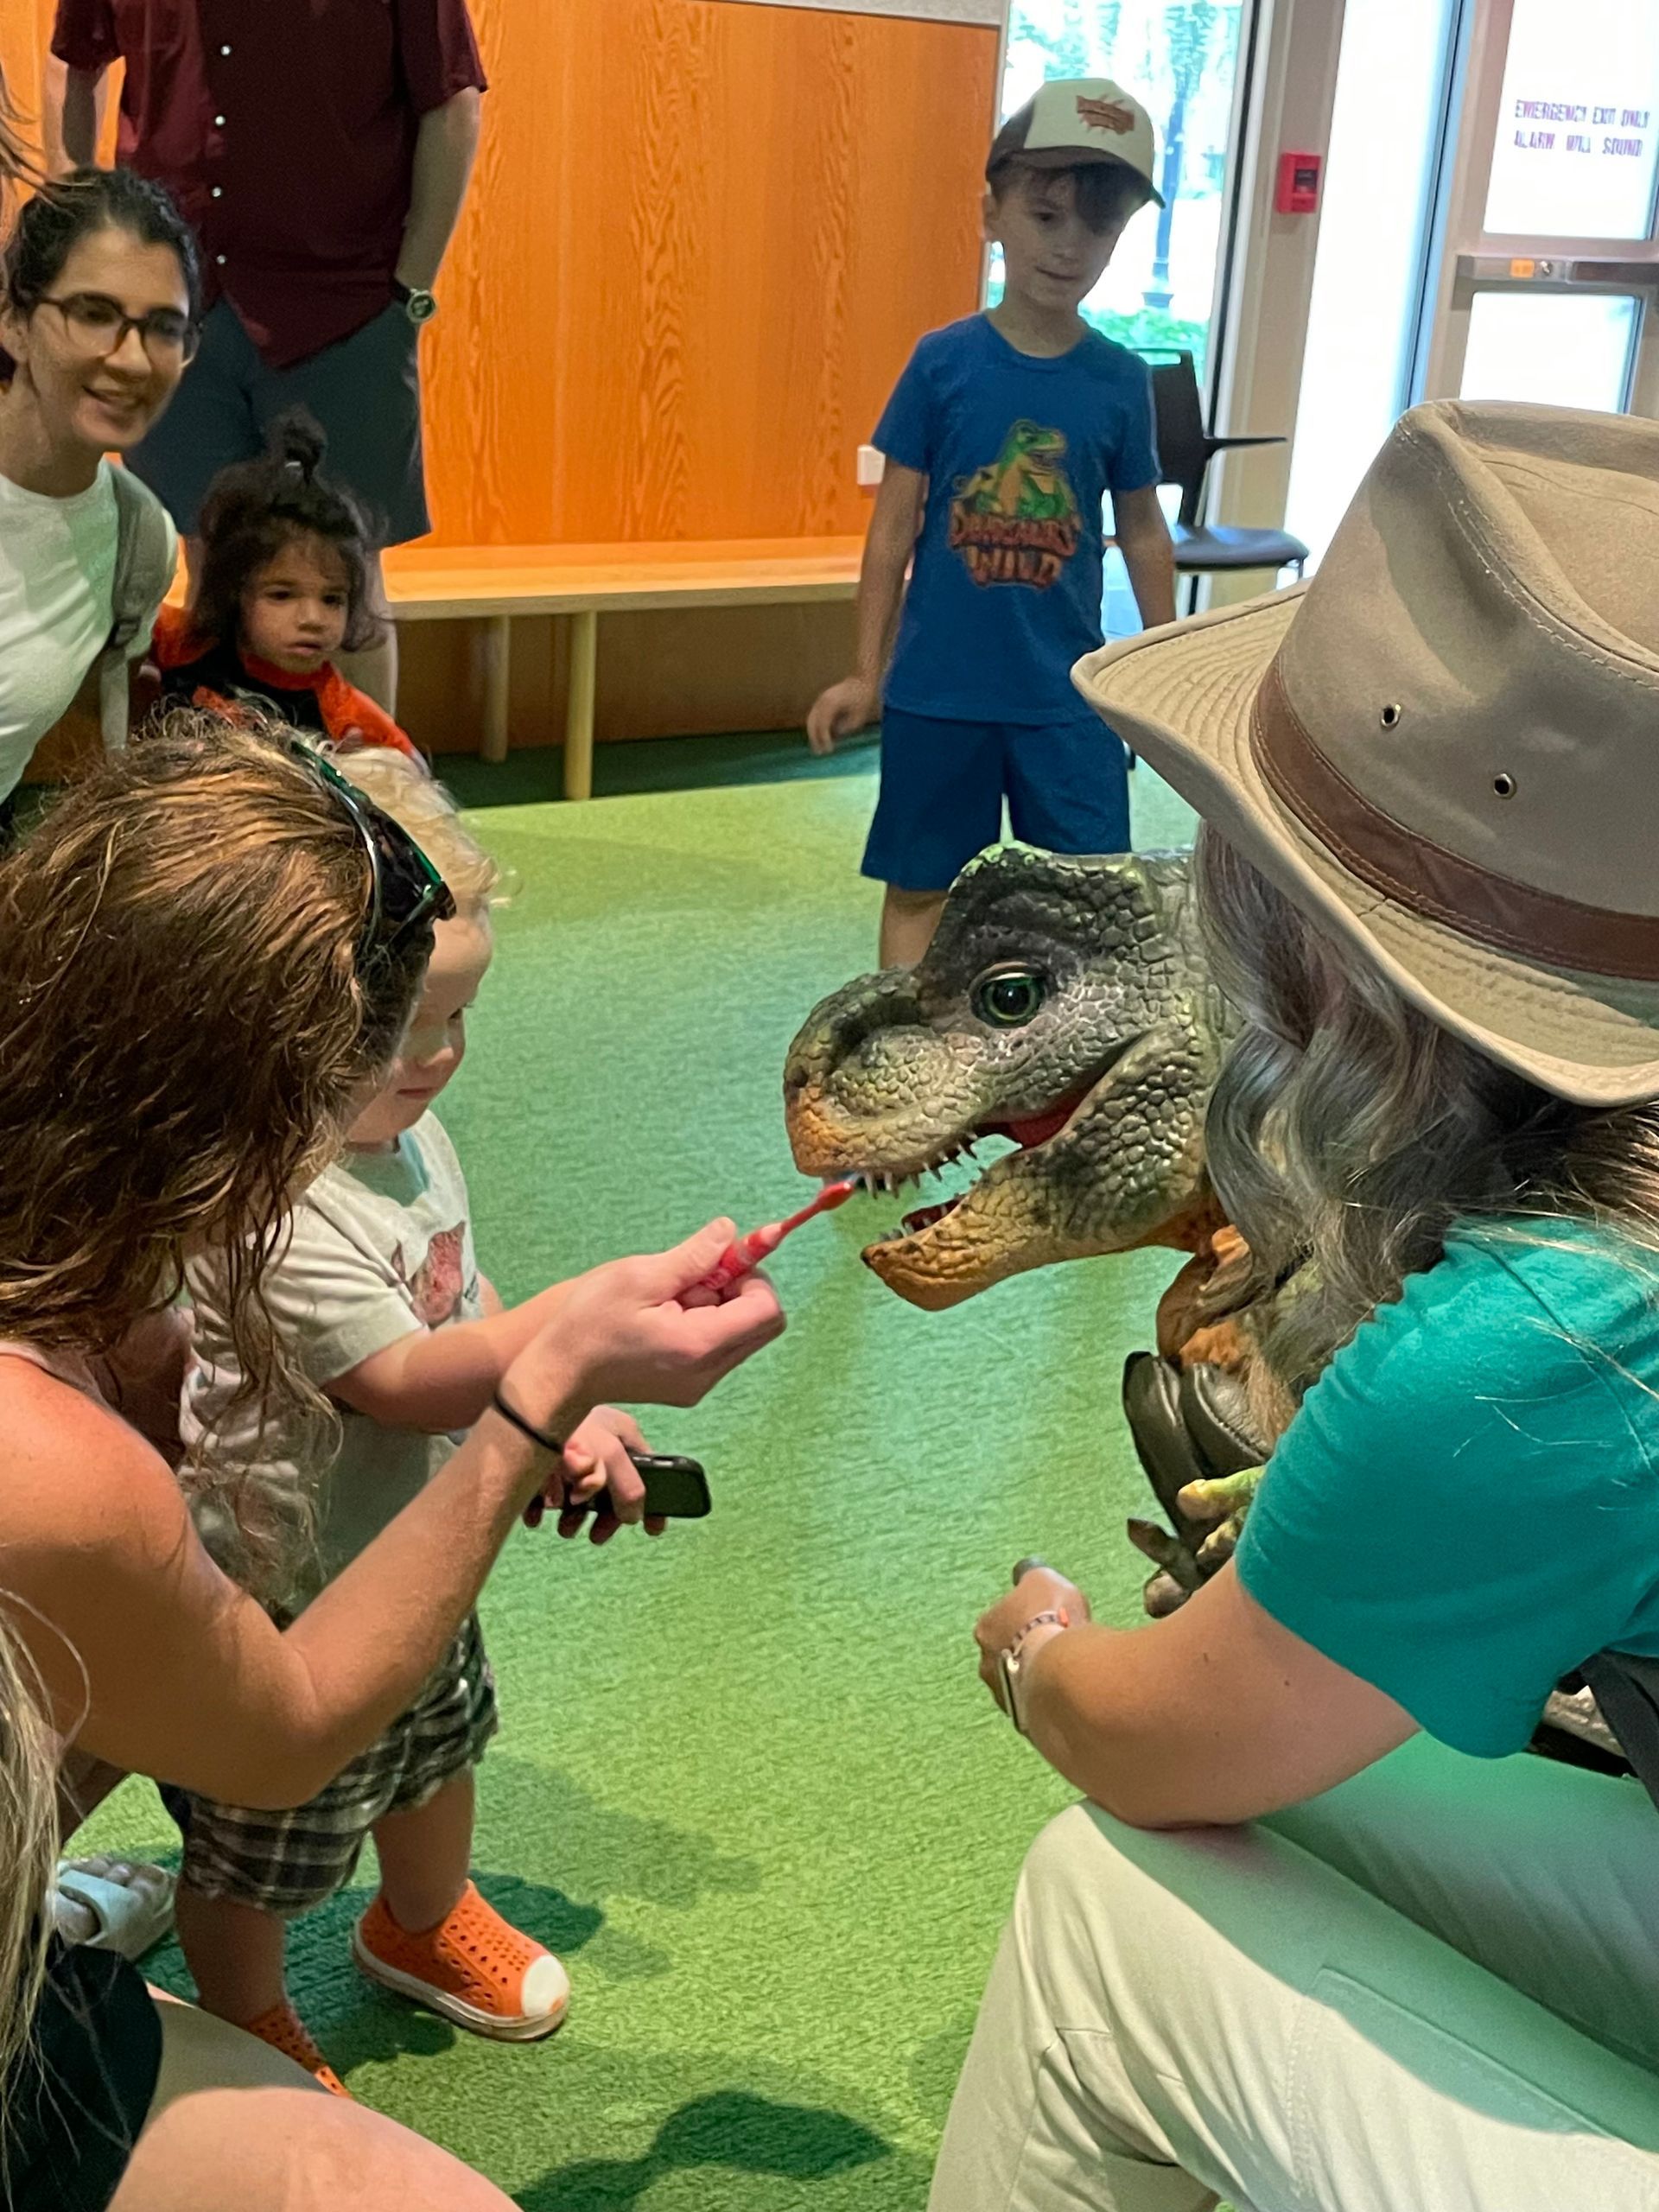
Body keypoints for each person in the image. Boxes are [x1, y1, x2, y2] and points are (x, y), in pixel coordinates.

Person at [932, 399, 1659, 2209]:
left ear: (1317, 943)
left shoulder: (1547, 1335)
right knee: (1310, 1784)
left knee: (1108, 1900)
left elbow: (1148, 1735)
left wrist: (1035, 1645)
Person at [0, 716, 784, 2210]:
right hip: (265, 1625)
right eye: (363, 1052)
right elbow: (276, 1732)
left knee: (394, 1739)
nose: (417, 1077)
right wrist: (546, 1387)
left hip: (256, 1604)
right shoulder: (64, 1456)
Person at [168, 752, 624, 2088]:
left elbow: (455, 1290)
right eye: (404, 1026)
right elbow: (405, 1378)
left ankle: (418, 1921)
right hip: (290, 1597)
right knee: (260, 1842)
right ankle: (243, 2013)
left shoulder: (402, 1133)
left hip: (414, 1555)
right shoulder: (278, 1200)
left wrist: (555, 1392)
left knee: (439, 1755)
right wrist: (573, 1363)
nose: (438, 1058)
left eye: (457, 1018)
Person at [806, 79, 1177, 968]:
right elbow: (892, 531)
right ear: (992, 212)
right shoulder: (942, 363)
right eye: (1047, 216)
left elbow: (1145, 532)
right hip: (939, 691)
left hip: (1070, 700)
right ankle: (907, 1052)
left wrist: (1162, 674)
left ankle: (1071, 1074)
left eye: (1099, 227)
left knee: (1090, 901)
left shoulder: (1121, 380)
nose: (1071, 246)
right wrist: (867, 670)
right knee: (923, 886)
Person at [48, 0, 487, 715]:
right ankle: (229, 799)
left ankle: (366, 804)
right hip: (176, 309)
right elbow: (75, 60)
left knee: (345, 574)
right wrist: (82, 235)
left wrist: (413, 287)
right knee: (210, 569)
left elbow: (452, 101)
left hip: (343, 310)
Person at [0, 166, 192, 823]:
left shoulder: (140, 538)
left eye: (165, 327)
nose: (133, 360)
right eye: (94, 314)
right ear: (14, 321)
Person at [151, 410, 423, 760]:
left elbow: (410, 780)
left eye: (332, 600)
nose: (312, 618)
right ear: (234, 592)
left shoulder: (347, 717)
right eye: (281, 595)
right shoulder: (184, 646)